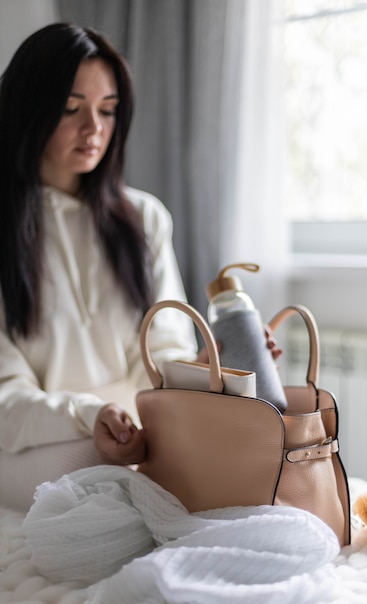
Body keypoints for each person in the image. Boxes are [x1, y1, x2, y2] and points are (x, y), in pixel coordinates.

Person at [0, 23, 198, 511]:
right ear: (29, 109)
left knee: (212, 461)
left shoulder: (144, 219)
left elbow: (167, 349)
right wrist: (89, 414)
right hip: (35, 438)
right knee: (103, 475)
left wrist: (231, 366)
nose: (95, 129)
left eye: (107, 111)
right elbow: (5, 397)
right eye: (71, 109)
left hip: (136, 430)